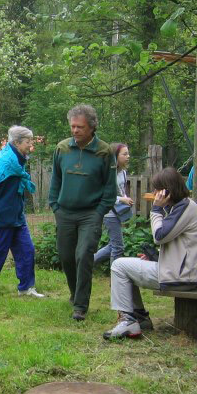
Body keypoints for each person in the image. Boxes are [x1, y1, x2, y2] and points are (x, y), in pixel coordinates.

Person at [104, 168, 197, 339]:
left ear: (167, 190)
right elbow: (179, 245)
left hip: (179, 276)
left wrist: (156, 209)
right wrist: (155, 258)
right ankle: (140, 318)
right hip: (181, 272)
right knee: (127, 267)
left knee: (118, 265)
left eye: (157, 189)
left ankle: (128, 321)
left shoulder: (185, 207)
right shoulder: (181, 206)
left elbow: (160, 236)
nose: (154, 193)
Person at [49, 104, 117, 321]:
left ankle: (80, 306)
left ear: (91, 127)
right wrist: (55, 205)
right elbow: (56, 180)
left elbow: (110, 187)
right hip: (65, 212)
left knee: (84, 254)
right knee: (67, 257)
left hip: (90, 214)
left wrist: (100, 212)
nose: (75, 130)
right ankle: (74, 293)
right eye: (73, 126)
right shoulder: (62, 149)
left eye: (80, 127)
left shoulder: (104, 152)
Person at [0, 125, 45, 298]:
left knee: (26, 250)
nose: (30, 145)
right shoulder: (6, 161)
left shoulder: (18, 159)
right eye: (28, 142)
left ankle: (26, 288)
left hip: (16, 215)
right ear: (17, 142)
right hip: (2, 216)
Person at [94, 143, 134, 266]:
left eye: (128, 153)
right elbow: (102, 194)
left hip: (118, 212)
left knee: (114, 245)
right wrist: (122, 200)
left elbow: (121, 191)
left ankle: (85, 262)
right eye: (124, 154)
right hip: (109, 213)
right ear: (115, 156)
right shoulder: (107, 173)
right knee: (118, 247)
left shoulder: (123, 172)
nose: (128, 156)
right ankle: (117, 279)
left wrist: (126, 199)